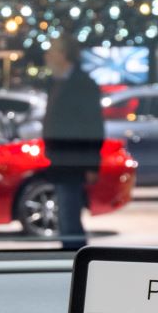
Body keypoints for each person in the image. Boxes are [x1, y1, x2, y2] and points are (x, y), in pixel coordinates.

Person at [41, 36, 104, 250]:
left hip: (73, 161)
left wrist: (92, 164)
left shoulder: (82, 83)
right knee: (66, 217)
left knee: (69, 217)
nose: (47, 56)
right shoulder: (58, 82)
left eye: (51, 51)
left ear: (62, 55)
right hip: (61, 160)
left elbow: (93, 126)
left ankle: (74, 257)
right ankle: (72, 255)